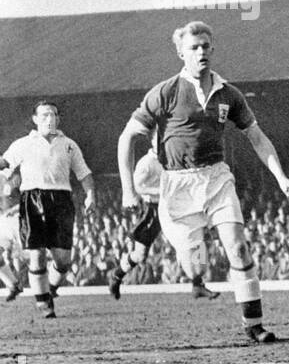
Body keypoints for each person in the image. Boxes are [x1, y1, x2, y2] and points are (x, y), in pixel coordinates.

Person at [117, 20, 289, 343]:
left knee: (238, 248)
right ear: (180, 53)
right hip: (177, 185)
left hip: (215, 178)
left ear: (212, 49)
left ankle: (254, 325)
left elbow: (257, 137)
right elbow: (127, 138)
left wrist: (281, 177)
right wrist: (128, 189)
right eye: (193, 47)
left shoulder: (229, 94)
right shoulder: (165, 92)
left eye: (205, 46)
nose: (201, 52)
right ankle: (196, 277)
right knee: (194, 262)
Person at [0, 100, 96, 318]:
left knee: (63, 260)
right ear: (35, 119)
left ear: (59, 118)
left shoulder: (69, 144)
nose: (49, 119)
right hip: (32, 198)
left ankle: (50, 289)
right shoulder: (23, 143)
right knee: (37, 254)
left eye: (53, 114)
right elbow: (5, 162)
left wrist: (91, 194)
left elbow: (84, 173)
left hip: (61, 198)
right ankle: (44, 305)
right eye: (44, 115)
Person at [108, 146, 220, 301]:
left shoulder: (173, 156)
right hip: (153, 210)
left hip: (175, 207)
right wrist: (162, 192)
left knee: (195, 240)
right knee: (140, 255)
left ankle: (198, 284)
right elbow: (138, 186)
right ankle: (117, 275)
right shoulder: (146, 163)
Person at [0, 171, 25, 303]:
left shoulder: (12, 175)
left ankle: (47, 288)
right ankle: (13, 284)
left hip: (17, 220)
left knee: (30, 256)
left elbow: (28, 197)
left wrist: (16, 209)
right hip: (3, 221)